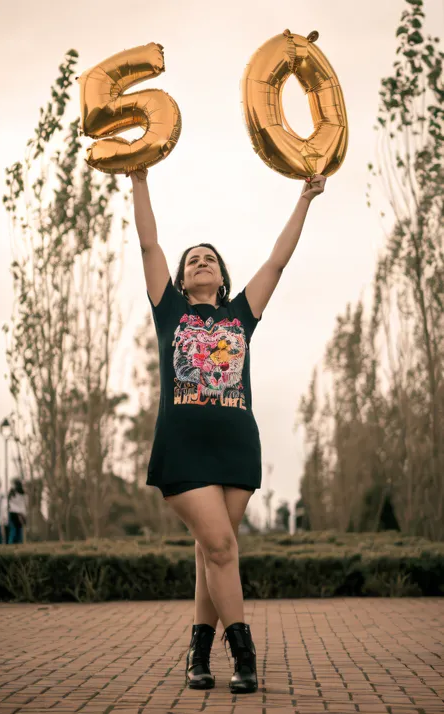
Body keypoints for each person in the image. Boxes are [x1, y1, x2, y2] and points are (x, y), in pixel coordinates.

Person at [130, 167, 326, 694]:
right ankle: (243, 650)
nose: (200, 262)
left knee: (210, 551)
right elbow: (149, 244)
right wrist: (138, 179)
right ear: (180, 278)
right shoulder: (168, 312)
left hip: (237, 448)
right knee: (219, 546)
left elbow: (277, 261)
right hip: (184, 449)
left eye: (209, 259)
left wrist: (304, 199)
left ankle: (197, 652)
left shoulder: (242, 315)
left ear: (221, 278)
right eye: (192, 259)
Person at [8, 478, 27, 544]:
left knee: (14, 531)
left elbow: (9, 503)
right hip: (19, 513)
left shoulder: (12, 492)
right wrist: (23, 515)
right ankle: (19, 543)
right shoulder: (23, 494)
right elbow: (23, 505)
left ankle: (11, 544)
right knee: (18, 531)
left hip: (13, 513)